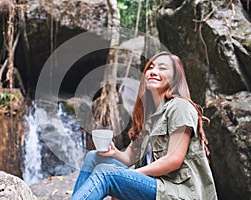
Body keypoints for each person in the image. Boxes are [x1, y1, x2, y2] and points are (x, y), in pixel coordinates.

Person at [71, 51, 217, 200]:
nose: (153, 72)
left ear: (175, 78)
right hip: (155, 186)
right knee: (93, 157)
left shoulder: (180, 106)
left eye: (162, 68)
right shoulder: (149, 117)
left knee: (106, 173)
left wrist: (131, 174)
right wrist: (114, 153)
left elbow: (174, 159)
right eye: (151, 67)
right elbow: (129, 157)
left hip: (178, 192)